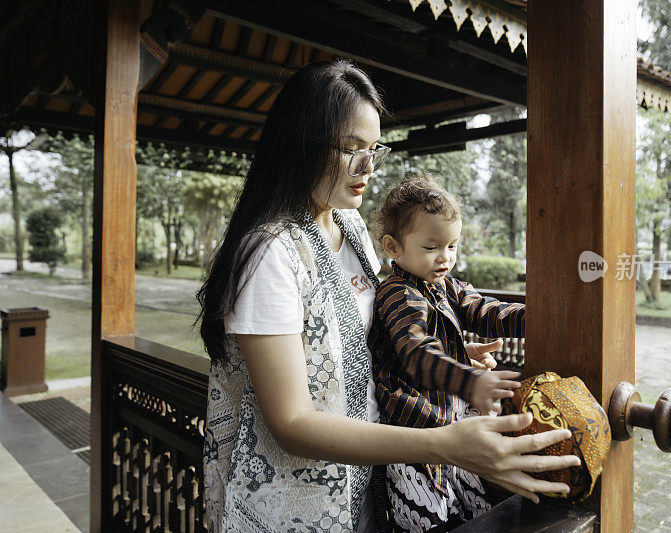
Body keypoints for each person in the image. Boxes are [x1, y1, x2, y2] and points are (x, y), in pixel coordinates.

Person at [198, 59, 580, 533]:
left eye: (374, 148)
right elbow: (291, 422)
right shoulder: (271, 253)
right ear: (302, 144)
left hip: (366, 489)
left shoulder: (351, 227)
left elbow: (370, 338)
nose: (368, 166)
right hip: (289, 507)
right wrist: (444, 444)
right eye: (350, 149)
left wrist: (450, 350)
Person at [368, 176, 526, 531]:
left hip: (449, 426)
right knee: (429, 521)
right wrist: (470, 382)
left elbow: (484, 310)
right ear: (393, 247)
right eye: (431, 247)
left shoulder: (444, 286)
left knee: (470, 511)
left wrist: (536, 318)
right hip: (412, 437)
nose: (446, 257)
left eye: (452, 246)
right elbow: (417, 353)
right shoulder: (398, 294)